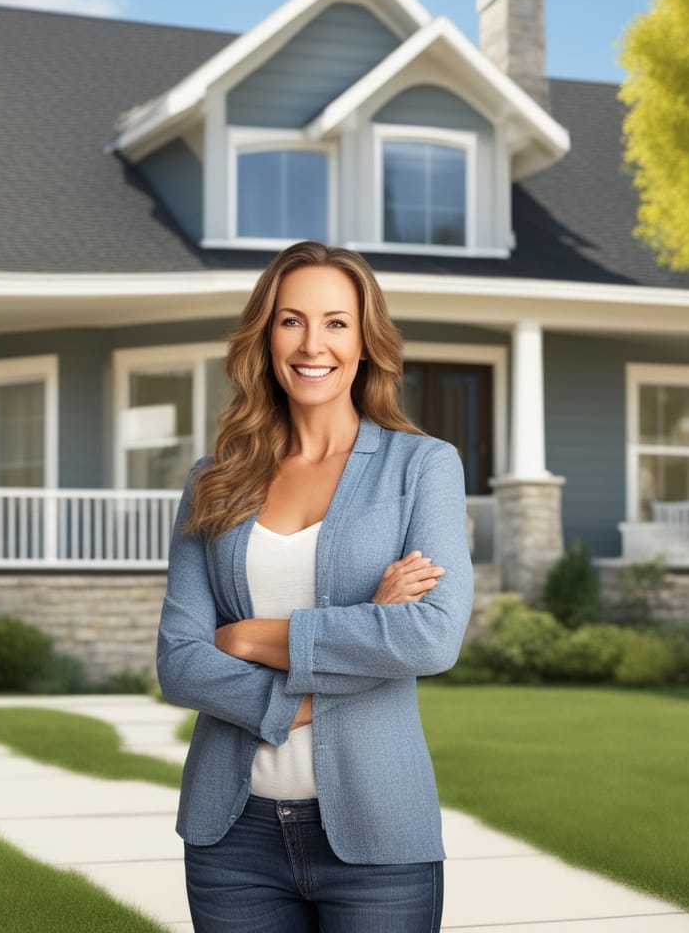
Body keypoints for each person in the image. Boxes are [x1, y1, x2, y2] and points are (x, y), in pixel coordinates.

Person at [156, 240, 473, 932]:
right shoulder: (214, 480)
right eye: (291, 320)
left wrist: (248, 637)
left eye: (336, 322)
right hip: (231, 839)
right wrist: (364, 632)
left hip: (379, 840)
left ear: (366, 341)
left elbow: (430, 635)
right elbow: (180, 663)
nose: (312, 343)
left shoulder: (421, 467)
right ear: (265, 337)